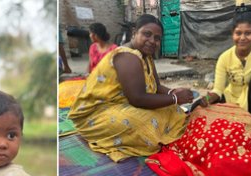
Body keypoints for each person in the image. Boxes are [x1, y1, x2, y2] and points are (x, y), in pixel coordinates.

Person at [69, 14, 195, 162]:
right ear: (134, 33)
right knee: (146, 121)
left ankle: (164, 132)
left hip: (122, 103)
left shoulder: (146, 56)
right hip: (96, 113)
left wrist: (174, 93)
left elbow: (156, 86)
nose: (152, 41)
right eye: (147, 34)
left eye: (157, 38)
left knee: (171, 109)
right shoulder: (127, 56)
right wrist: (174, 98)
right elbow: (137, 99)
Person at [200, 10, 251, 121]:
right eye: (238, 33)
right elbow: (218, 90)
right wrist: (207, 98)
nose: (242, 38)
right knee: (197, 106)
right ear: (232, 34)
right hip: (232, 101)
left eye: (248, 33)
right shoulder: (224, 57)